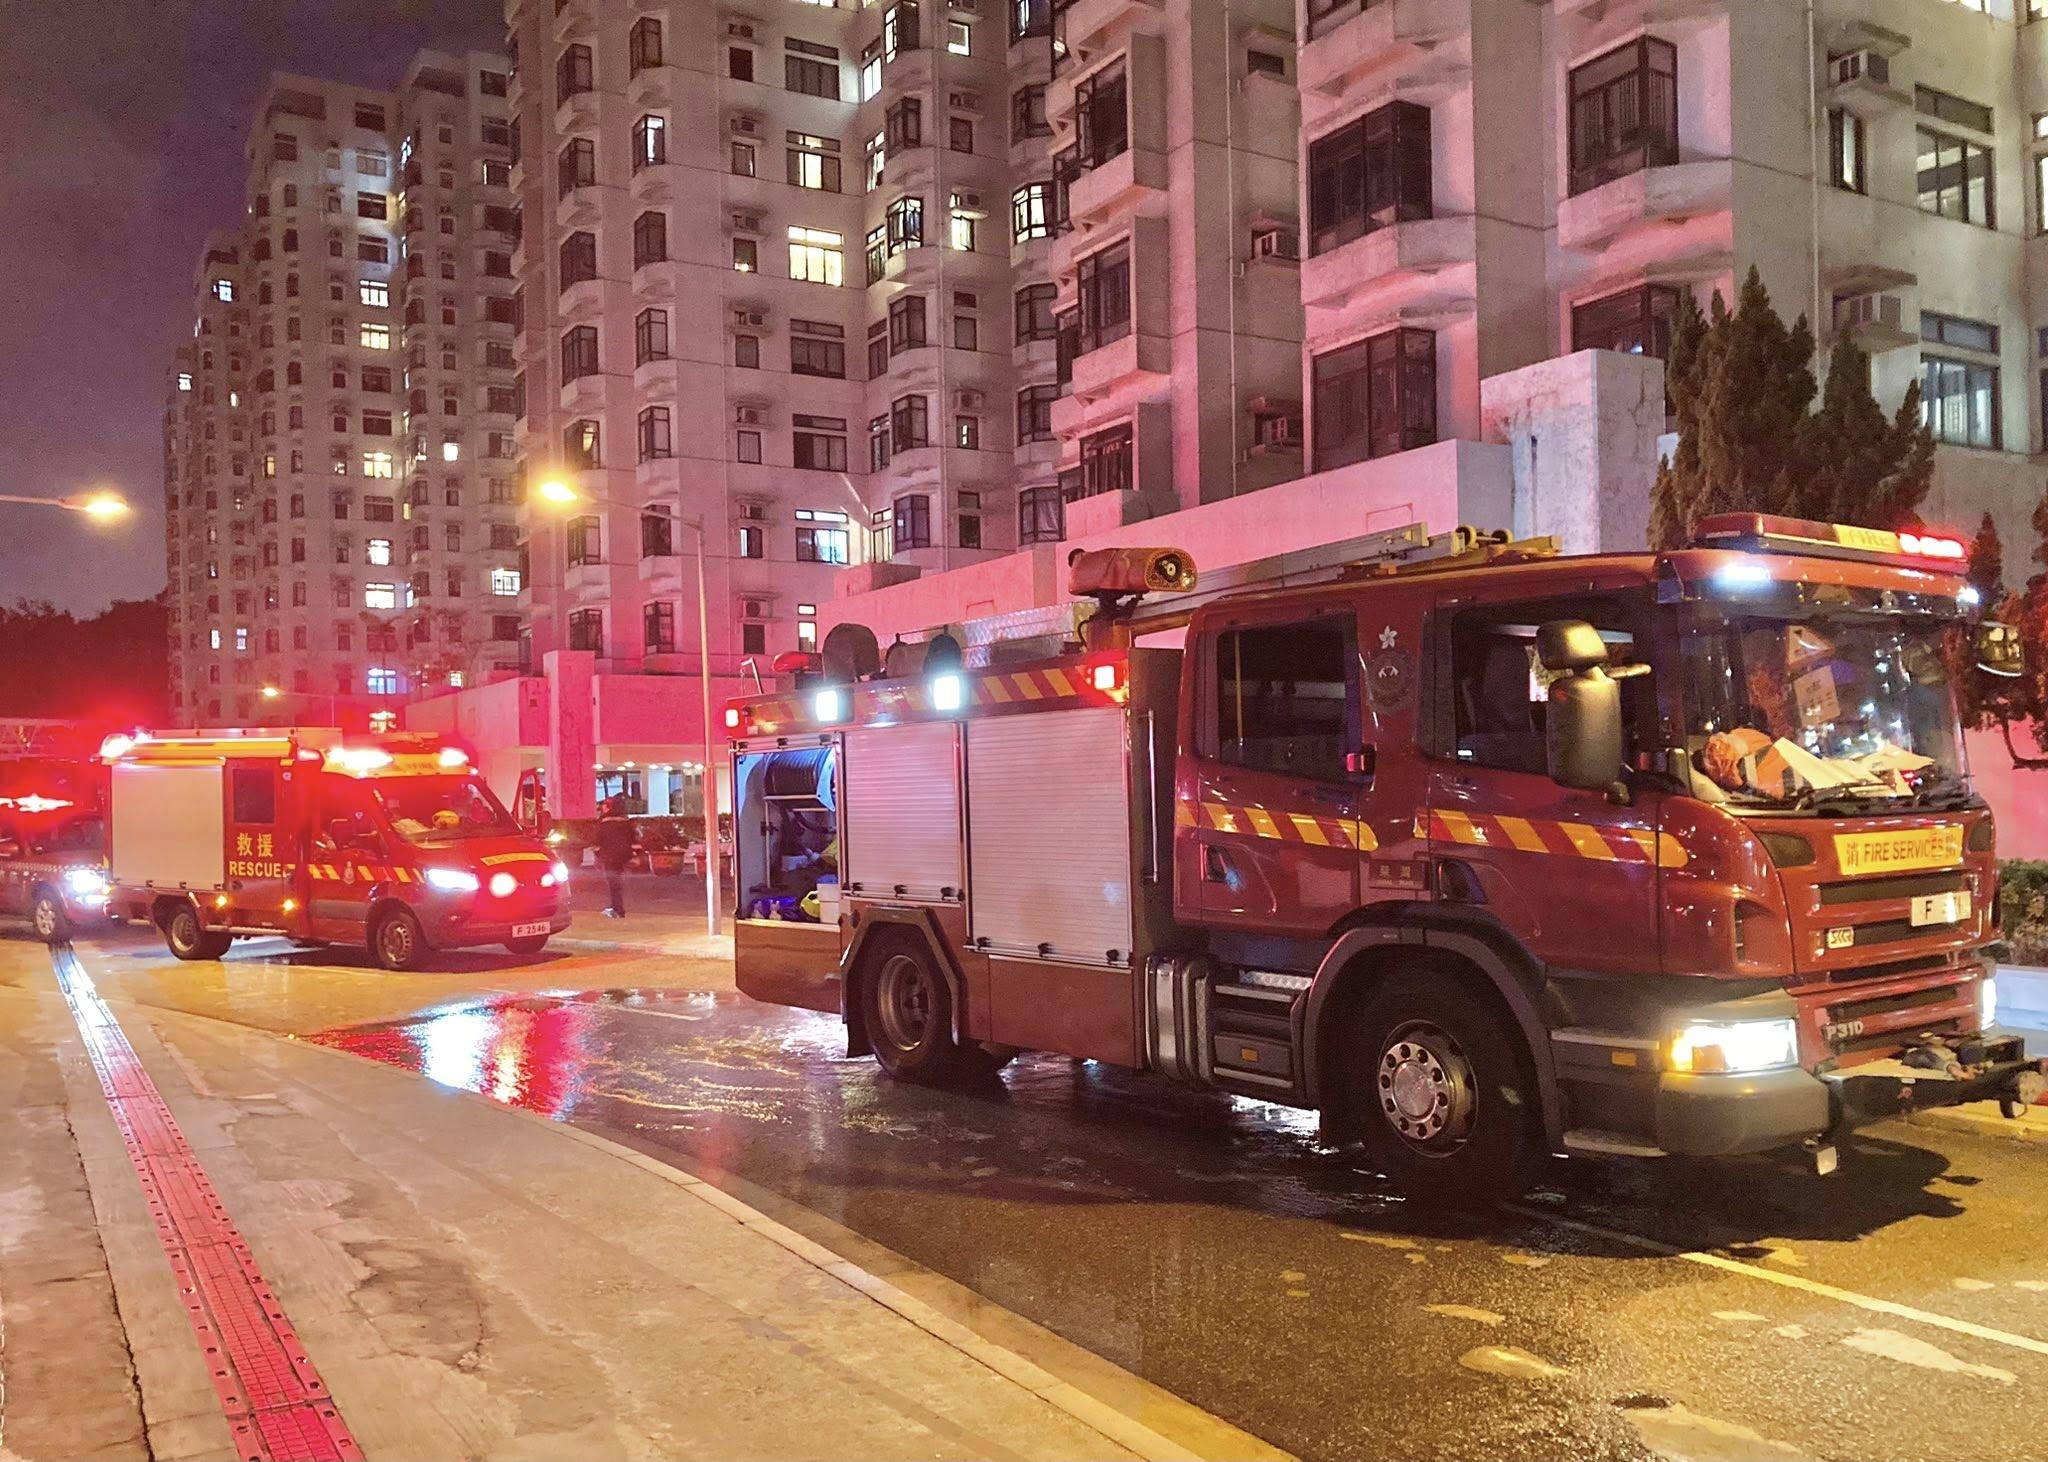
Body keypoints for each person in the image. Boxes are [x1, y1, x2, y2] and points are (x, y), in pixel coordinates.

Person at [595, 797, 635, 918]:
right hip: (623, 856)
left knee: (613, 883)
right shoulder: (626, 823)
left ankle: (617, 909)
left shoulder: (604, 824)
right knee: (617, 882)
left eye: (605, 805)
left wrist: (598, 856)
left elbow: (598, 842)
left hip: (609, 857)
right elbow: (632, 839)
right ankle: (616, 907)